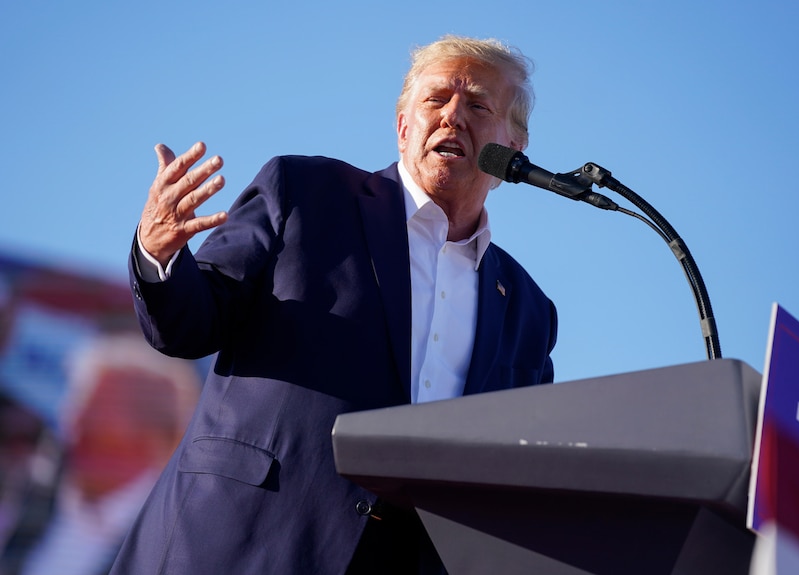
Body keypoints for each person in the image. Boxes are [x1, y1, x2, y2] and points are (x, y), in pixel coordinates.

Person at [113, 35, 558, 575]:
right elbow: (188, 325)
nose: (452, 117)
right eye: (435, 100)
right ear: (402, 127)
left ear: (513, 148)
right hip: (245, 538)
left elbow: (517, 476)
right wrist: (158, 252)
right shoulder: (305, 192)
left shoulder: (528, 310)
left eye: (479, 106)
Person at [3, 334, 199, 575]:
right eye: (79, 412)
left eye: (98, 432)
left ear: (155, 440)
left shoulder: (174, 541)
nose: (76, 431)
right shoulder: (28, 485)